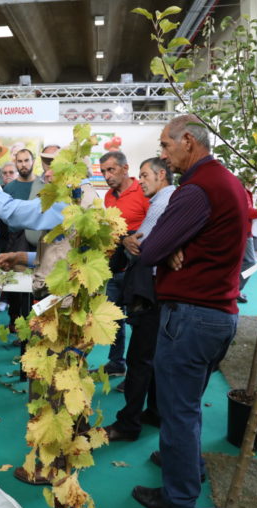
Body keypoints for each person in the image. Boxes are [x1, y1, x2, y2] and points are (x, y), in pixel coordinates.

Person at [132, 115, 248, 508]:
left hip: (192, 317)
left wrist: (167, 246)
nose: (162, 154)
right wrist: (174, 245)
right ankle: (188, 466)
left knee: (177, 411)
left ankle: (178, 499)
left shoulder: (197, 189)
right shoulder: (226, 181)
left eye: (165, 146)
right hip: (217, 314)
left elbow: (148, 250)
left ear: (187, 141)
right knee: (186, 406)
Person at [103, 157, 175, 443]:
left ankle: (128, 424)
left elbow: (142, 244)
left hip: (151, 290)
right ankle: (154, 412)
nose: (141, 180)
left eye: (145, 175)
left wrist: (127, 241)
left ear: (160, 175)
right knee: (154, 355)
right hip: (157, 289)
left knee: (139, 358)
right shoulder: (168, 197)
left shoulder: (160, 201)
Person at [99, 151, 150, 378]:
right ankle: (116, 363)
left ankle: (136, 376)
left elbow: (154, 229)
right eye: (103, 172)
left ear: (125, 168)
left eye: (111, 170)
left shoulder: (144, 192)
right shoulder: (109, 197)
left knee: (137, 323)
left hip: (136, 269)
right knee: (113, 318)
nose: (107, 175)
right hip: (113, 266)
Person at [1, 148, 38, 334]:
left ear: (33, 161)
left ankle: (35, 325)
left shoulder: (42, 185)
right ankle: (16, 322)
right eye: (20, 161)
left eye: (27, 160)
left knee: (37, 286)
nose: (23, 164)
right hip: (16, 240)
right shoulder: (9, 188)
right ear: (16, 163)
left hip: (38, 240)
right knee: (17, 286)